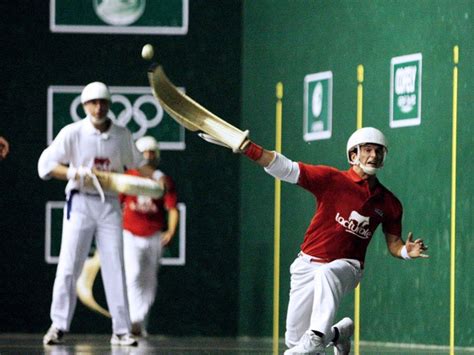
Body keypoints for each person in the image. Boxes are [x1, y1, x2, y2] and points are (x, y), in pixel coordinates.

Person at [237, 127, 428, 355]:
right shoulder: (332, 179)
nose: (374, 156)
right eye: (368, 149)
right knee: (294, 341)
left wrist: (406, 251)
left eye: (379, 151)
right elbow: (287, 168)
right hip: (306, 264)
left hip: (348, 267)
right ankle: (339, 333)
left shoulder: (390, 203)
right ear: (353, 155)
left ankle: (317, 337)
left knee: (326, 274)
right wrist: (250, 149)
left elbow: (394, 244)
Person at [38, 81, 156, 347]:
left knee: (115, 267)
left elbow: (139, 165)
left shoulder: (122, 135)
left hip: (110, 206)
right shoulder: (73, 133)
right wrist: (71, 173)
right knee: (69, 267)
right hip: (79, 203)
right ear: (84, 105)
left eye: (103, 102)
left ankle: (121, 330)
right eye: (93, 102)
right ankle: (58, 325)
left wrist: (157, 179)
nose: (98, 107)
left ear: (109, 105)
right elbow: (44, 166)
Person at [120, 136, 179, 337]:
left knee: (149, 280)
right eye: (144, 152)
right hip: (129, 232)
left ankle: (139, 322)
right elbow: (116, 204)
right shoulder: (129, 176)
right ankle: (131, 320)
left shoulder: (163, 180)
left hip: (154, 235)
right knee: (133, 274)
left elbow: (172, 208)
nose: (148, 156)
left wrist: (170, 230)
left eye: (151, 152)